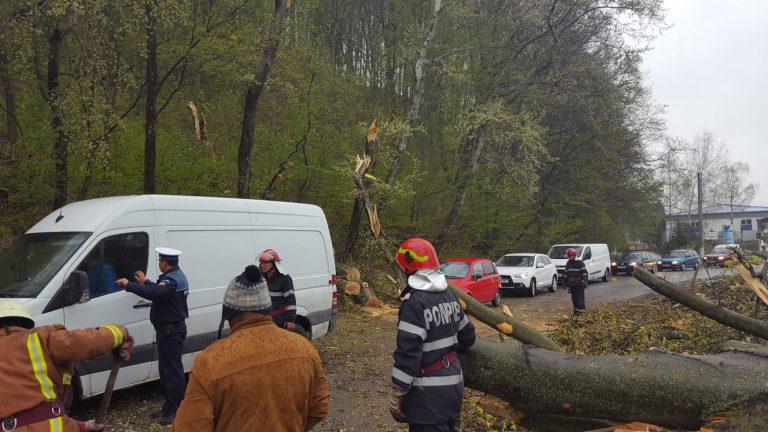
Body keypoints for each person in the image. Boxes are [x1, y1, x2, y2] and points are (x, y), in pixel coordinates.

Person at [172, 264, 329, 431]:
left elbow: (188, 427)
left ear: (228, 315)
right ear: (268, 310)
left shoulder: (210, 362)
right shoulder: (305, 348)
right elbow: (319, 408)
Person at [0, 300, 133, 432]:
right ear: (24, 322)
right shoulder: (40, 338)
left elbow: (30, 417)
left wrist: (81, 427)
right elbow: (86, 341)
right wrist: (120, 332)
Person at [389, 238, 476, 432]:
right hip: (453, 389)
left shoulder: (413, 303)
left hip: (427, 398)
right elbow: (469, 338)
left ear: (408, 270)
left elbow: (408, 354)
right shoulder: (450, 297)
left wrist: (398, 391)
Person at [116, 247, 189, 425]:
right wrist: (145, 281)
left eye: (159, 261)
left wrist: (129, 285)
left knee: (173, 373)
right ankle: (169, 407)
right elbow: (158, 290)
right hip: (168, 331)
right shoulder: (173, 277)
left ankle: (176, 411)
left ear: (165, 263)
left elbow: (155, 293)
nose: (159, 264)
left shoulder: (172, 280)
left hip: (171, 331)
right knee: (166, 371)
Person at [259, 248, 298, 331]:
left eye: (266, 262)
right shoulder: (262, 278)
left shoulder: (284, 278)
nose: (262, 265)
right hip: (266, 318)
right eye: (261, 263)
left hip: (280, 319)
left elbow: (290, 300)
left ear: (274, 263)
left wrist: (291, 320)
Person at [565, 248, 588, 315]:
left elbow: (584, 273)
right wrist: (565, 282)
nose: (570, 257)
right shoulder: (568, 264)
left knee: (579, 300)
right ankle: (576, 313)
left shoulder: (580, 263)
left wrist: (584, 282)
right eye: (569, 256)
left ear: (575, 255)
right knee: (574, 300)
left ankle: (582, 314)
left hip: (579, 284)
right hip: (572, 285)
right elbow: (566, 274)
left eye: (572, 255)